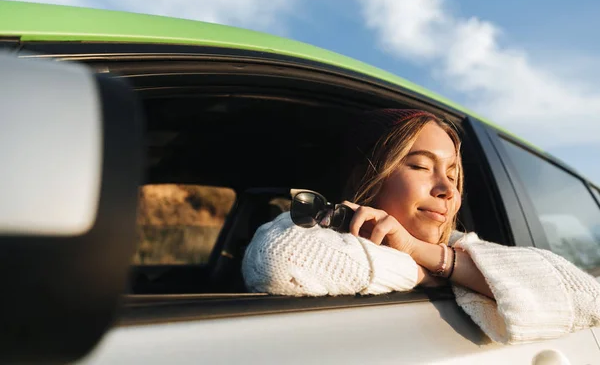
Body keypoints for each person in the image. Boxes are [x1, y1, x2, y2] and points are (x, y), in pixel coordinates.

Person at [241, 109, 600, 345]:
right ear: (372, 177)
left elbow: (589, 298)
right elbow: (277, 260)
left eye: (453, 173)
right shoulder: (322, 228)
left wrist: (423, 254)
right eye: (420, 166)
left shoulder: (465, 246)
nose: (446, 189)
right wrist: (423, 272)